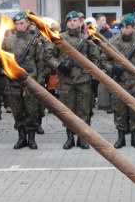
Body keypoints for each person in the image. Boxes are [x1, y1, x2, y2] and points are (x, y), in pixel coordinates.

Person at [44, 10, 102, 150]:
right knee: (68, 111)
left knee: (84, 111)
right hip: (67, 81)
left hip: (84, 81)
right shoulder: (59, 38)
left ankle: (83, 138)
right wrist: (60, 66)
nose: (72, 22)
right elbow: (48, 55)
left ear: (80, 22)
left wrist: (94, 78)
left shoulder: (87, 38)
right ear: (66, 23)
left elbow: (96, 59)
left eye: (75, 20)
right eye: (69, 21)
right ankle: (70, 137)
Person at [109, 14, 135, 149]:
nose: (125, 30)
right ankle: (121, 137)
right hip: (118, 83)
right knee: (119, 111)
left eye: (128, 27)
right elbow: (104, 59)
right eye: (123, 27)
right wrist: (113, 69)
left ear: (134, 27)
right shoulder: (113, 42)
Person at [2, 12, 43, 150]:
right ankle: (21, 138)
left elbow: (40, 61)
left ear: (27, 24)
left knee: (31, 111)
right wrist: (6, 72)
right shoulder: (8, 40)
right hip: (13, 82)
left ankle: (31, 138)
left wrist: (38, 78)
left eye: (22, 23)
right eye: (17, 24)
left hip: (29, 81)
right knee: (17, 111)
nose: (19, 26)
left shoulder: (35, 41)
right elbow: (2, 60)